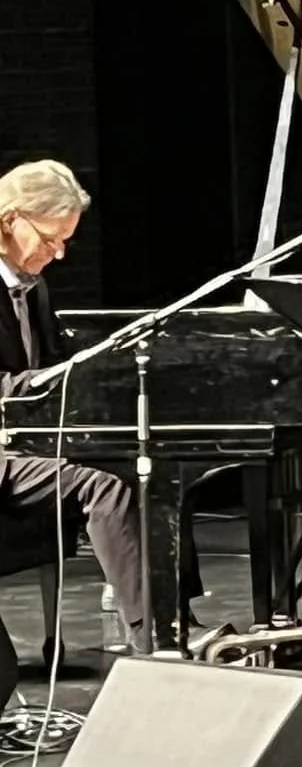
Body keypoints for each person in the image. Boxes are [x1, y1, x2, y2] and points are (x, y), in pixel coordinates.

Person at [0, 161, 147, 670]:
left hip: (25, 439)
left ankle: (175, 617)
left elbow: (50, 360)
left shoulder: (33, 285)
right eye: (50, 239)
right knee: (106, 485)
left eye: (65, 242)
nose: (58, 253)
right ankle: (149, 641)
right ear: (9, 220)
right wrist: (49, 380)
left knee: (145, 462)